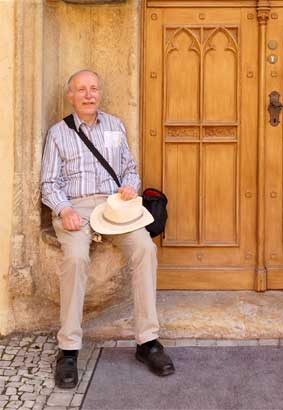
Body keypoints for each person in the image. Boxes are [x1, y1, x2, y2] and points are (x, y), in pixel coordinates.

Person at [40, 69, 175, 389]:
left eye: (94, 89)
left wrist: (130, 186)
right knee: (75, 259)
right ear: (70, 96)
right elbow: (48, 182)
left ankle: (147, 342)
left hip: (115, 206)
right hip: (76, 206)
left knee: (144, 248)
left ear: (100, 93)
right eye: (81, 90)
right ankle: (69, 348)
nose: (88, 95)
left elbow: (129, 167)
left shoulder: (114, 125)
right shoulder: (59, 133)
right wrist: (64, 209)